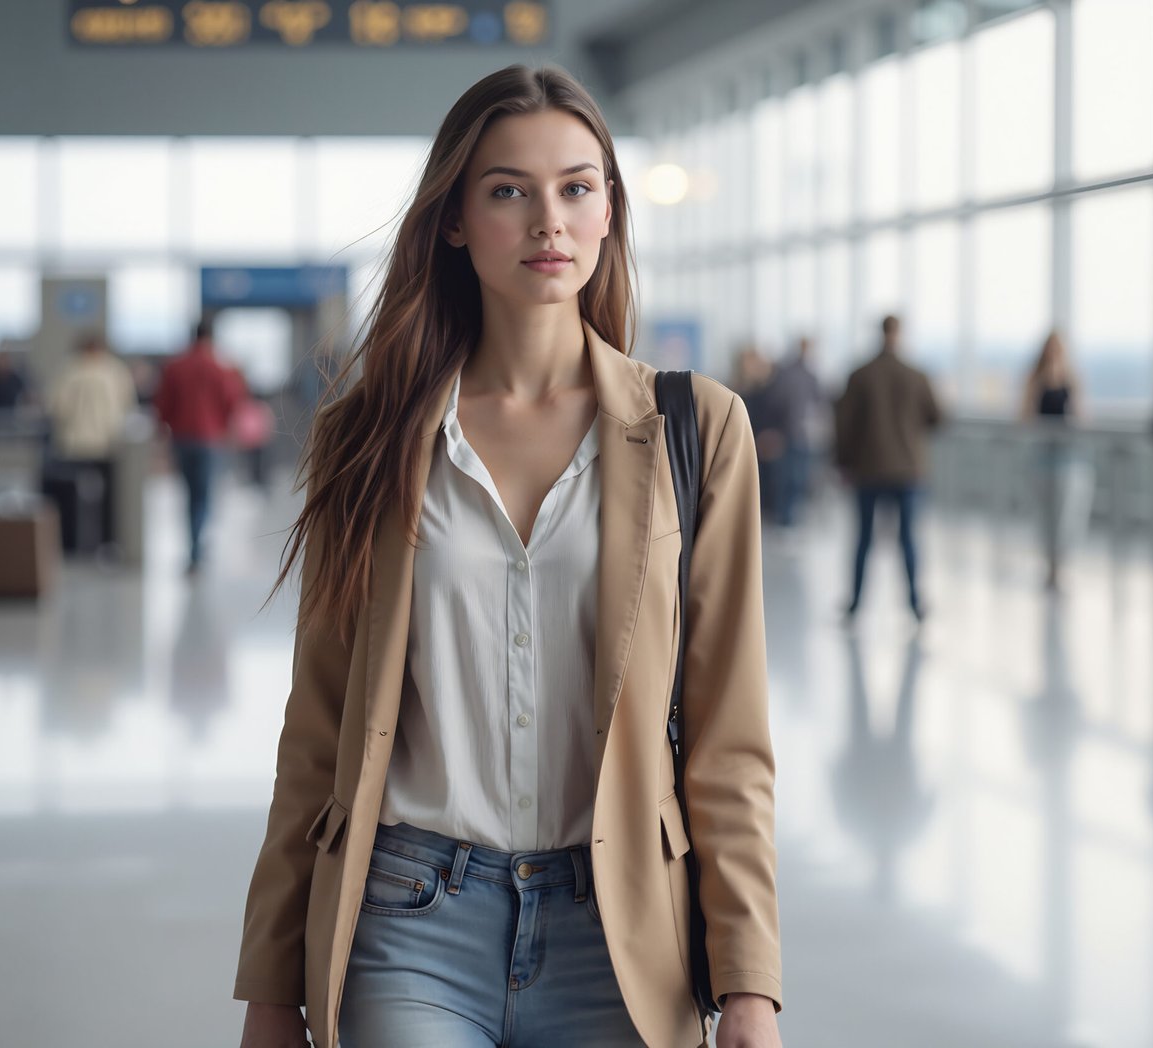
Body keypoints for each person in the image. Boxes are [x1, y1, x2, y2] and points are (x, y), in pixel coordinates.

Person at [235, 66, 783, 1048]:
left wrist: (750, 981)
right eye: (507, 190)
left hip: (619, 926)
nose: (547, 220)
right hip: (407, 915)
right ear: (453, 220)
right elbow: (317, 730)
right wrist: (272, 986)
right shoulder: (370, 435)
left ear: (610, 210)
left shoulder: (695, 429)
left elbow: (727, 738)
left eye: (576, 187)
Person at [834, 315, 943, 623]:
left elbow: (844, 424)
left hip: (868, 469)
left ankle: (855, 604)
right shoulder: (917, 375)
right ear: (900, 334)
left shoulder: (860, 375)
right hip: (909, 469)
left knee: (863, 539)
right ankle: (914, 604)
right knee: (908, 539)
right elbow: (937, 417)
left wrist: (843, 462)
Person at [154, 320, 249, 574]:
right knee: (204, 494)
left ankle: (194, 545)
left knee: (189, 493)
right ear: (211, 338)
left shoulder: (175, 367)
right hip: (210, 440)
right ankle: (197, 546)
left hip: (182, 439)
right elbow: (233, 402)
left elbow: (162, 405)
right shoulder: (221, 368)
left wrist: (164, 431)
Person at [46, 333, 136, 550]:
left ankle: (70, 542)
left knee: (70, 499)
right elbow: (127, 404)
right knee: (109, 501)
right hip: (107, 444)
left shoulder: (69, 370)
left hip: (73, 445)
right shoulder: (115, 371)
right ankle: (107, 542)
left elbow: (56, 407)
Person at [1021, 331, 1091, 589]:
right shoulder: (1034, 379)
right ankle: (1049, 563)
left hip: (1067, 456)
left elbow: (1081, 415)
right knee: (1045, 513)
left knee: (1066, 513)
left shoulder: (1071, 379)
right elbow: (1025, 415)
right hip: (1042, 457)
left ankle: (1060, 563)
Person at [757, 336, 825, 527]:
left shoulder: (806, 374)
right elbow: (774, 403)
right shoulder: (787, 373)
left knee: (797, 479)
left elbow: (818, 402)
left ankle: (790, 519)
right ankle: (785, 519)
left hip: (800, 434)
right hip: (786, 433)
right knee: (787, 478)